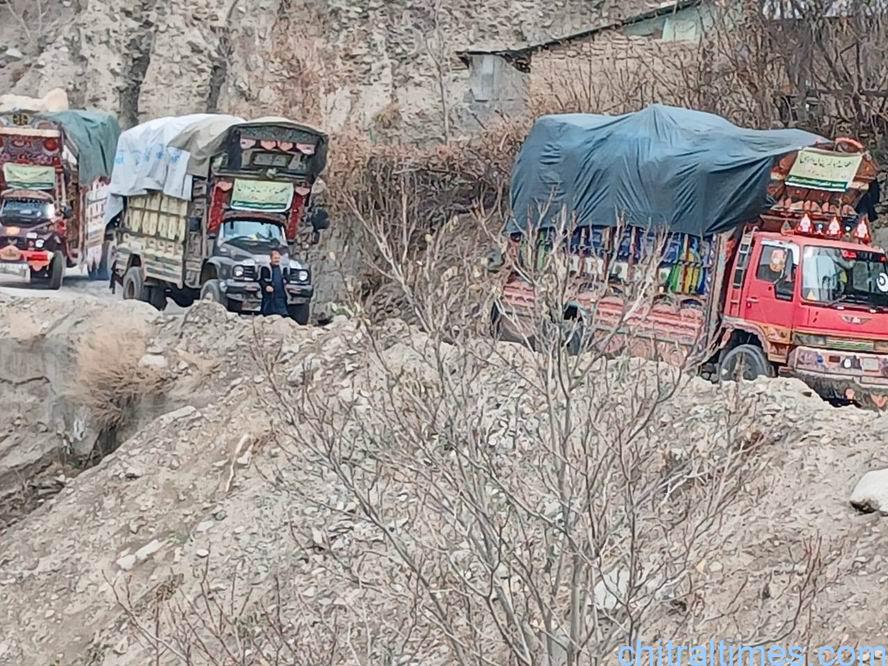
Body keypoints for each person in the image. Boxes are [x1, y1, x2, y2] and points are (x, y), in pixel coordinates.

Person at [258, 249, 289, 316]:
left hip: (281, 296)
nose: (277, 260)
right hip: (269, 297)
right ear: (271, 258)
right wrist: (266, 286)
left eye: (278, 258)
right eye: (275, 258)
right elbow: (261, 280)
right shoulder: (266, 268)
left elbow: (287, 279)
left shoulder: (283, 268)